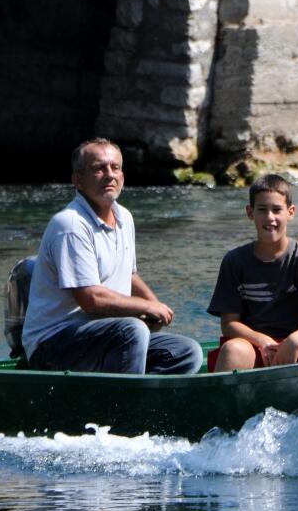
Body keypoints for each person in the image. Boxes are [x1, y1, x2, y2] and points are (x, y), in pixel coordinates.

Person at [21, 138, 203, 374]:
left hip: (107, 335)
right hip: (52, 344)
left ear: (123, 177)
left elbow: (127, 273)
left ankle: (149, 404)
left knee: (187, 352)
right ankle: (125, 408)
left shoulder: (124, 217)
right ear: (77, 181)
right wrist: (143, 308)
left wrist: (154, 304)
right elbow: (90, 299)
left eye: (115, 168)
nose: (109, 175)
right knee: (133, 330)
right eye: (98, 168)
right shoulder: (70, 225)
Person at [206, 174, 298, 371]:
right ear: (250, 212)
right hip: (255, 346)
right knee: (233, 350)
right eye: (262, 210)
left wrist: (295, 340)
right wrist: (261, 341)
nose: (270, 217)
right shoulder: (234, 261)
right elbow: (229, 324)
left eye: (277, 210)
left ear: (290, 212)